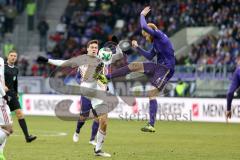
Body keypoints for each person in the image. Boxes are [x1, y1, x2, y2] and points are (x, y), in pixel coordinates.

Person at [37, 39, 123, 157]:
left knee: (104, 122)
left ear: (98, 50)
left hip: (98, 93)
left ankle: (98, 150)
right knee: (84, 114)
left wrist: (117, 45)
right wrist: (47, 60)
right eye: (91, 47)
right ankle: (77, 132)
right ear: (87, 49)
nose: (94, 49)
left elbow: (119, 55)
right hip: (86, 88)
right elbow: (64, 63)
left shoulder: (103, 57)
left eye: (95, 48)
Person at [106, 6, 175, 132]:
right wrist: (137, 47)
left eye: (145, 35)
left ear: (150, 32)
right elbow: (149, 56)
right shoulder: (156, 42)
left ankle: (151, 124)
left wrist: (142, 15)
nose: (145, 37)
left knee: (152, 93)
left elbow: (143, 26)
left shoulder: (160, 36)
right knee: (134, 66)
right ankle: (107, 77)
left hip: (167, 68)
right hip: (158, 66)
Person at [4, 50, 37, 143]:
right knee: (3, 118)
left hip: (12, 94)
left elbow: (15, 82)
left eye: (15, 56)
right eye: (11, 55)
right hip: (3, 94)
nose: (13, 57)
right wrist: (3, 86)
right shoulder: (3, 67)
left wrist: (17, 92)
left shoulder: (16, 69)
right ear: (8, 56)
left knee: (20, 113)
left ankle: (27, 137)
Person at [0, 56, 13, 160]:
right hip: (0, 99)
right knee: (8, 128)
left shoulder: (1, 60)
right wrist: (4, 94)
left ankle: (0, 154)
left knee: (7, 128)